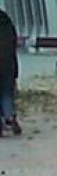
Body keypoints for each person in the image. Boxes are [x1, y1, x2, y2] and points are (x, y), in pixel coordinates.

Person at [0, 8, 19, 136]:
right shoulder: (4, 19)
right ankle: (10, 115)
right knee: (7, 92)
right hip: (7, 62)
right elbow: (13, 41)